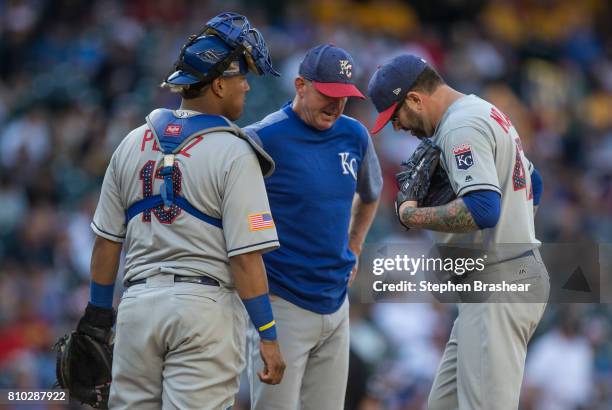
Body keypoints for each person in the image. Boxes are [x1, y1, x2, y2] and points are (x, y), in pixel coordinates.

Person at [75, 12, 285, 409]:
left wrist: (97, 320)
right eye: (241, 78)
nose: (245, 87)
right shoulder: (235, 151)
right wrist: (268, 334)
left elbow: (106, 244)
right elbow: (245, 258)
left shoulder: (132, 142)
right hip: (202, 311)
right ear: (219, 84)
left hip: (137, 309)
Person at [368, 54, 549, 410]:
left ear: (415, 99)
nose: (398, 127)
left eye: (396, 115)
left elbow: (482, 209)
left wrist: (412, 215)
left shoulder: (460, 127)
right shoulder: (482, 110)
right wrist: (516, 230)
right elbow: (535, 182)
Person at [243, 44, 383, 409]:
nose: (336, 106)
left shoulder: (354, 135)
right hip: (282, 303)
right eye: (328, 94)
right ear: (301, 84)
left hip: (336, 303)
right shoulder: (262, 138)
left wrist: (355, 245)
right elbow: (240, 216)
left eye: (344, 97)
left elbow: (370, 196)